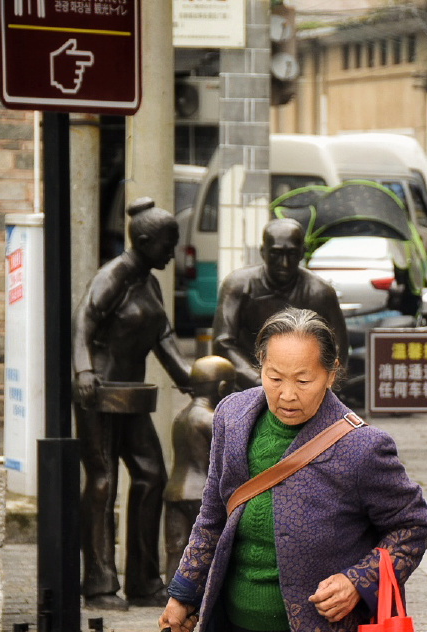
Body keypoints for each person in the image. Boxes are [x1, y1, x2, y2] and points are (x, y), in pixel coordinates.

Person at [159, 308, 427, 632]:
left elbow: (412, 526)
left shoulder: (361, 448)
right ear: (258, 366)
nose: (287, 394)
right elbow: (213, 513)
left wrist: (358, 581)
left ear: (330, 374)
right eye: (274, 376)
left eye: (303, 379)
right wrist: (184, 593)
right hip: (250, 626)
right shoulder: (234, 416)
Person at [73, 197, 193, 610]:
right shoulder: (114, 276)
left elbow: (163, 339)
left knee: (151, 475)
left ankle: (143, 580)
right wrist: (83, 371)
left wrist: (192, 380)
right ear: (143, 241)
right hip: (99, 394)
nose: (172, 253)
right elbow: (83, 320)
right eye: (167, 244)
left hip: (132, 396)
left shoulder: (150, 281)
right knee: (103, 482)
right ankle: (100, 583)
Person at [212, 218, 349, 392]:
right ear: (263, 252)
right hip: (248, 385)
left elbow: (338, 351)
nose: (284, 263)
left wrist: (316, 387)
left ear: (302, 253)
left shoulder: (320, 293)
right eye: (276, 254)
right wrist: (261, 382)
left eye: (291, 254)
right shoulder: (238, 286)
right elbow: (222, 342)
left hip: (304, 389)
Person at [163, 354, 235, 585]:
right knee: (207, 549)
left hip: (175, 491)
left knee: (176, 548)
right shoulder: (211, 419)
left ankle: (172, 595)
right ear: (223, 387)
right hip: (201, 494)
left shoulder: (181, 416)